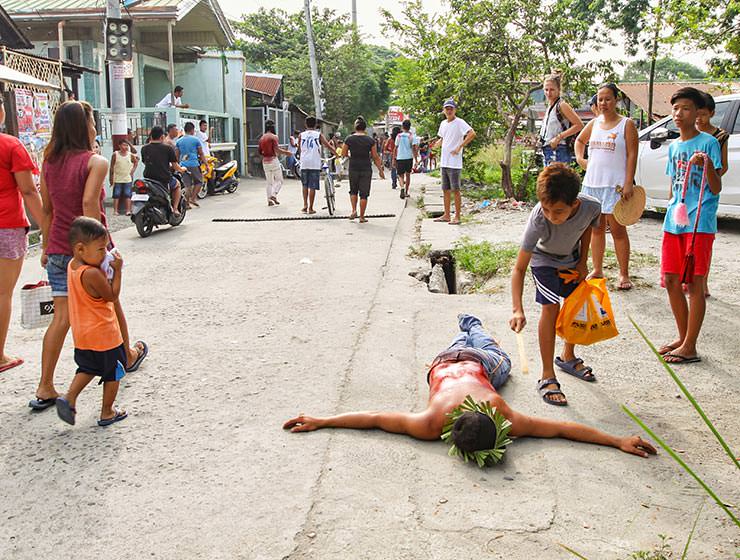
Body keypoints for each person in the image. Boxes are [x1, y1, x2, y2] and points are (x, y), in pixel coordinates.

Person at [284, 314, 656, 463]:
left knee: (484, 347)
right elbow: (375, 418)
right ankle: (470, 324)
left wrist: (324, 419)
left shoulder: (444, 421)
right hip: (450, 361)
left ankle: (469, 325)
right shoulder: (437, 422)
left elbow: (375, 418)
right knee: (492, 353)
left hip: (458, 359)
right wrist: (321, 420)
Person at [30, 101, 147, 411]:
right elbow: (88, 206)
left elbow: (47, 209)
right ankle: (128, 353)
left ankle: (45, 385)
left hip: (57, 248)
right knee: (111, 301)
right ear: (85, 127)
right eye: (93, 122)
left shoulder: (49, 162)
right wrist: (100, 252)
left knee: (62, 318)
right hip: (87, 251)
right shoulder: (94, 162)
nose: (95, 128)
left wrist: (44, 247)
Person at [509, 163, 601, 406]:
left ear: (575, 204)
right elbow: (519, 268)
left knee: (576, 304)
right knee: (551, 308)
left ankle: (567, 356)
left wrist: (583, 263)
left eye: (558, 211)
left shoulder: (591, 206)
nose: (552, 217)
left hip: (570, 259)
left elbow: (586, 229)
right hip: (543, 261)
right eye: (547, 209)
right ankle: (547, 375)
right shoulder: (539, 218)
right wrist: (517, 309)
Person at [657, 87, 722, 364]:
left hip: (700, 223)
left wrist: (706, 163)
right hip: (675, 220)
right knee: (671, 280)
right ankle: (683, 338)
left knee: (694, 284)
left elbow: (716, 188)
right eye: (675, 109)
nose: (678, 114)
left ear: (698, 113)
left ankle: (690, 345)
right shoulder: (674, 147)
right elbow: (674, 187)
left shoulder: (708, 143)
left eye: (685, 108)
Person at [54, 217, 128, 427]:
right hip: (104, 335)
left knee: (87, 368)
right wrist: (118, 271)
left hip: (83, 336)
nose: (105, 253)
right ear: (80, 249)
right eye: (101, 249)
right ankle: (107, 411)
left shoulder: (73, 266)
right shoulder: (93, 273)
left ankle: (69, 398)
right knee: (115, 371)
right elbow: (112, 296)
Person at [575, 83, 639, 291]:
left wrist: (628, 182)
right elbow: (579, 141)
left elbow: (631, 155)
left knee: (618, 230)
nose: (603, 103)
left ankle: (623, 273)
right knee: (596, 230)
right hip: (592, 184)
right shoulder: (594, 123)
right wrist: (580, 159)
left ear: (616, 100)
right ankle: (597, 269)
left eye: (608, 99)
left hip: (615, 186)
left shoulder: (626, 124)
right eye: (600, 99)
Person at [0, 98, 45, 374]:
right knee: (2, 292)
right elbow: (29, 191)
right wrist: (47, 228)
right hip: (7, 224)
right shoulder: (10, 145)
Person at [695, 91, 730, 298]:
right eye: (696, 114)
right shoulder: (689, 134)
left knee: (704, 239)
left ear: (712, 114)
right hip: (689, 192)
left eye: (703, 115)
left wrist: (710, 176)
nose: (699, 119)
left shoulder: (719, 137)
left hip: (708, 193)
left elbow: (722, 166)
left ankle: (703, 282)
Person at [430, 98, 476, 225]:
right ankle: (446, 215)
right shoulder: (443, 123)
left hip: (454, 162)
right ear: (443, 110)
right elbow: (443, 138)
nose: (449, 110)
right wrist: (436, 145)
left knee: (455, 189)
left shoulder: (460, 122)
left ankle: (457, 216)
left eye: (451, 108)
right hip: (444, 161)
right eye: (447, 108)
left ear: (455, 110)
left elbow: (472, 134)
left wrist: (460, 146)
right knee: (445, 189)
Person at [342, 116, 385, 223]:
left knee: (353, 191)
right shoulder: (370, 140)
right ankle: (361, 217)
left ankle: (353, 210)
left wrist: (351, 154)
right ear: (365, 128)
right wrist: (380, 170)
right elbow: (375, 157)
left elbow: (343, 153)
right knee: (364, 194)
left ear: (355, 127)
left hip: (353, 167)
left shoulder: (349, 139)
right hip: (366, 168)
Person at [539, 74, 583, 165]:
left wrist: (558, 137)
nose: (548, 93)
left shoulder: (562, 105)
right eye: (546, 90)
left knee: (559, 178)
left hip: (559, 149)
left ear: (559, 90)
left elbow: (579, 125)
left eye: (552, 90)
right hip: (548, 149)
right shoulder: (550, 107)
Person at [141, 126, 184, 216]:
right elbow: (176, 167)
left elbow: (145, 162)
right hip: (163, 178)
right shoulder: (168, 148)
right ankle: (175, 209)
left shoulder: (144, 148)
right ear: (162, 137)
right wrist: (182, 169)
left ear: (151, 136)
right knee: (177, 185)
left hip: (148, 177)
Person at [296, 116, 334, 215]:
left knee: (305, 185)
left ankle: (305, 205)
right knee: (312, 186)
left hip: (304, 162)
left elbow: (299, 148)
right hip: (314, 162)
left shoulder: (301, 135)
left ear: (305, 124)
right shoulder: (318, 134)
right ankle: (311, 208)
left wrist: (302, 156)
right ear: (316, 124)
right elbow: (327, 145)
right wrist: (336, 154)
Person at [259, 120, 292, 206]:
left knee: (269, 182)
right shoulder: (274, 137)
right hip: (273, 160)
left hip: (265, 161)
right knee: (280, 180)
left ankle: (269, 200)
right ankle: (274, 195)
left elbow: (259, 151)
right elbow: (276, 150)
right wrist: (286, 153)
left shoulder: (262, 138)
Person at [176, 122, 205, 207]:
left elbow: (176, 155)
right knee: (199, 181)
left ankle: (187, 203)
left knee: (187, 185)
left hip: (183, 165)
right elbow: (201, 153)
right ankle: (193, 198)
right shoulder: (195, 140)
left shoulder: (179, 141)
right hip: (194, 164)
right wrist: (206, 164)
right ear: (192, 130)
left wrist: (177, 166)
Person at [109, 140, 139, 216]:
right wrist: (111, 178)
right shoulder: (115, 154)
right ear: (119, 146)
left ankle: (128, 210)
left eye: (126, 145)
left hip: (127, 178)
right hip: (118, 178)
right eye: (123, 145)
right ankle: (115, 210)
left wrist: (133, 170)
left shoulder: (130, 154)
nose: (125, 147)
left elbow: (136, 160)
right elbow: (112, 167)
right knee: (116, 194)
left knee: (127, 194)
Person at [393, 119, 419, 200]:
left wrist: (394, 159)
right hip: (409, 158)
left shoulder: (399, 136)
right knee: (408, 175)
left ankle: (402, 188)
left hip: (400, 158)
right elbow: (414, 149)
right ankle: (406, 192)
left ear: (402, 127)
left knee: (400, 175)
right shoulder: (412, 136)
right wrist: (416, 159)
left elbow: (395, 148)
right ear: (409, 127)